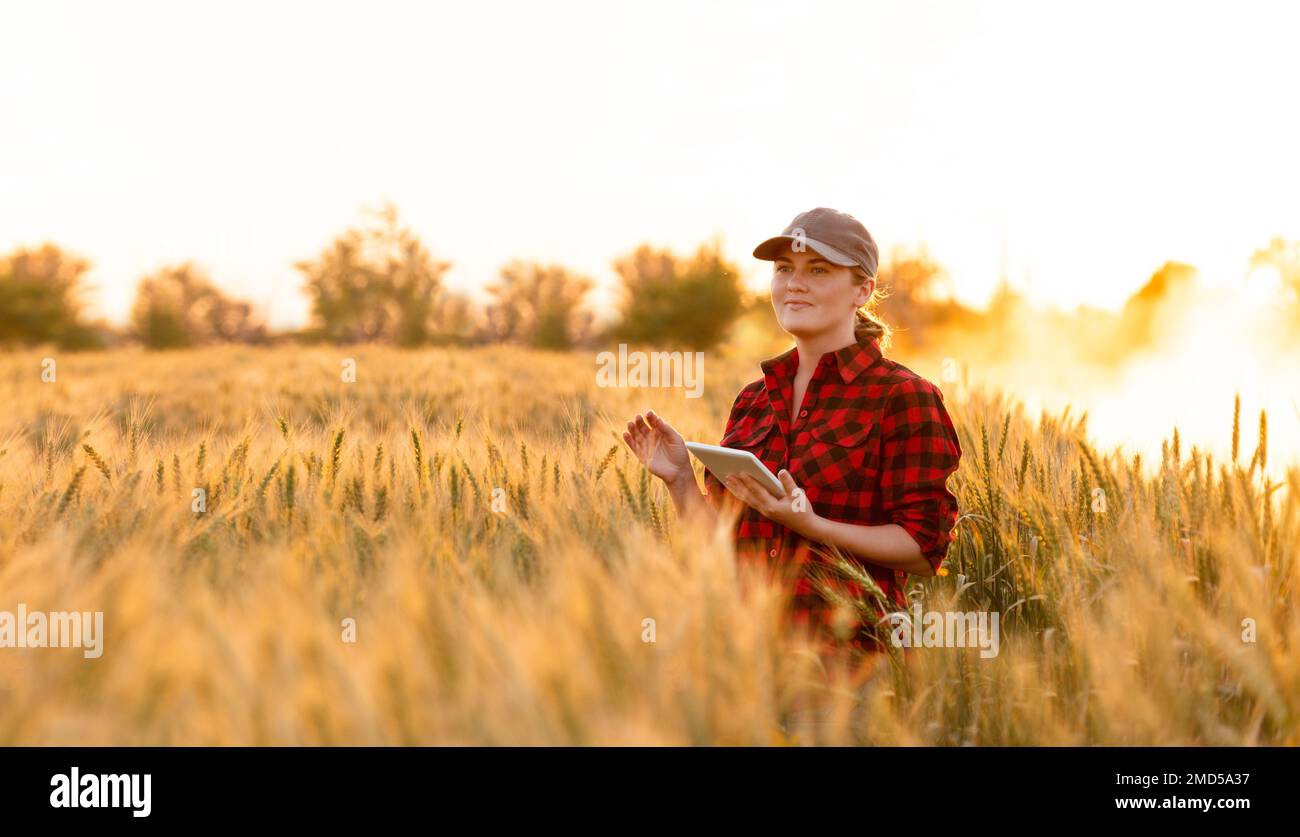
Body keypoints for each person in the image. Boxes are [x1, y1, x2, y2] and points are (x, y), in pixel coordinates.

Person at [622, 207, 963, 661]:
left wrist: (811, 526)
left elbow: (924, 549)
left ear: (862, 290)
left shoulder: (902, 397)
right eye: (784, 270)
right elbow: (721, 548)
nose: (794, 284)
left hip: (848, 667)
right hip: (745, 663)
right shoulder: (753, 401)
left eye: (818, 270)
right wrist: (680, 479)